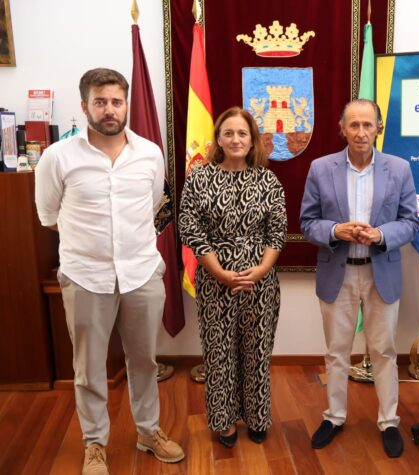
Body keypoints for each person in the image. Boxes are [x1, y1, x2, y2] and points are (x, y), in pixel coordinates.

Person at [34, 68, 184, 475]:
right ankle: (95, 444)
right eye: (100, 101)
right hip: (85, 277)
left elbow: (153, 205)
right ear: (84, 106)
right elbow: (49, 215)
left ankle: (148, 431)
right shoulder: (57, 157)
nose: (110, 110)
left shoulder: (150, 153)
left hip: (141, 273)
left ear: (126, 104)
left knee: (144, 361)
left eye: (117, 101)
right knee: (88, 368)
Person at [299, 99, 419, 458]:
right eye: (354, 125)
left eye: (368, 125)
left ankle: (389, 421)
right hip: (339, 273)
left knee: (383, 351)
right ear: (342, 129)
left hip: (380, 270)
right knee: (337, 352)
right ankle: (334, 417)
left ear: (378, 128)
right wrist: (337, 229)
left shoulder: (399, 168)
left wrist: (380, 235)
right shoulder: (321, 169)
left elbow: (410, 222)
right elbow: (307, 223)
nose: (361, 132)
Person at [179, 106, 287, 448]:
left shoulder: (268, 180)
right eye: (229, 133)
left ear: (252, 139)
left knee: (257, 352)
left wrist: (262, 269)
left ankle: (257, 418)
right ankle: (223, 422)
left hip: (261, 283)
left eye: (242, 133)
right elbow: (190, 229)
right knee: (219, 353)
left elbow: (277, 232)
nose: (236, 139)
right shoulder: (199, 178)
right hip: (215, 282)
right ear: (218, 139)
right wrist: (221, 273)